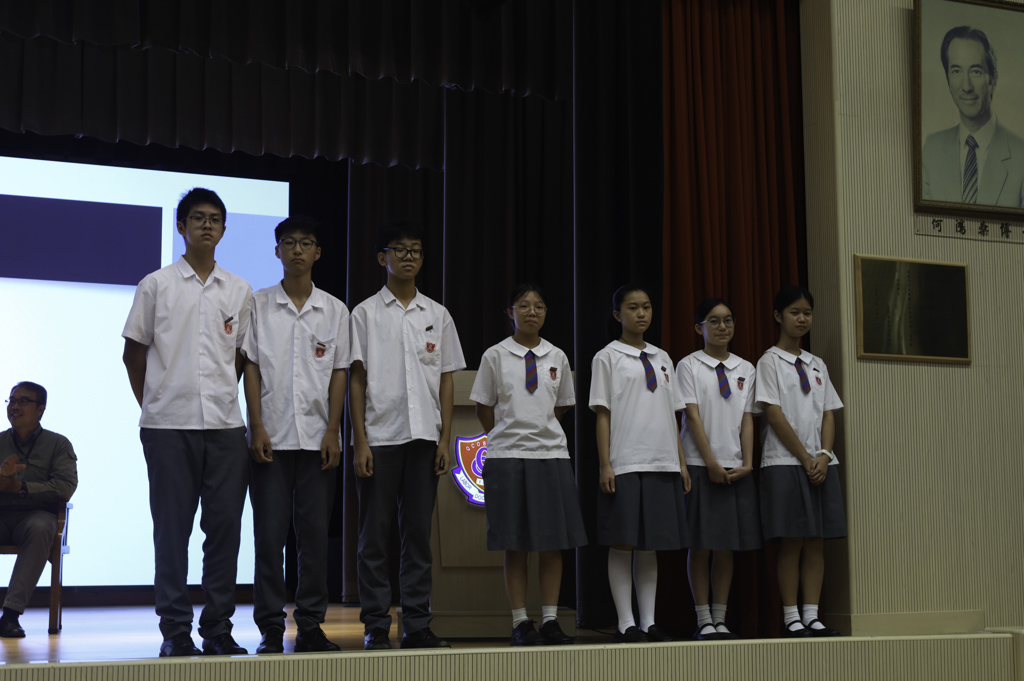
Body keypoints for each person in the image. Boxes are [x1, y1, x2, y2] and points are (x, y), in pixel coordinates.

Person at [122, 187, 253, 657]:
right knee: (172, 532)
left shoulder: (239, 290)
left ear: (223, 229)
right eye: (198, 218)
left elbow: (240, 357)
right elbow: (133, 352)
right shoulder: (155, 284)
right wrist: (154, 402)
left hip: (225, 426)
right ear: (181, 226)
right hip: (167, 426)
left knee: (225, 531)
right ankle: (175, 630)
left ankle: (217, 629)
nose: (207, 225)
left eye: (215, 219)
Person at [349, 222, 466, 651]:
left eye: (415, 250)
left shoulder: (437, 314)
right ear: (383, 258)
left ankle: (417, 624)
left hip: (424, 439)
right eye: (399, 250)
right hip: (379, 438)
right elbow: (356, 379)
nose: (409, 257)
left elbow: (447, 380)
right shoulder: (364, 313)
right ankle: (376, 625)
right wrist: (360, 440)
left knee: (417, 536)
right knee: (374, 537)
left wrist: (445, 439)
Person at [241, 217, 349, 654]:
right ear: (277, 251)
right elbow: (251, 367)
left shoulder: (335, 310)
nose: (298, 250)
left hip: (318, 440)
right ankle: (270, 626)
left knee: (314, 538)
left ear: (318, 252)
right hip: (271, 437)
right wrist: (256, 425)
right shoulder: (258, 304)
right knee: (269, 538)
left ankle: (310, 625)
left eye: (306, 243)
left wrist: (333, 430)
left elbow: (339, 372)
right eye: (289, 243)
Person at [470, 284, 586, 647]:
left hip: (551, 455)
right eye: (524, 305)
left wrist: (539, 432)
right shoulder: (495, 355)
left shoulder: (557, 356)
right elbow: (483, 407)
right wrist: (505, 435)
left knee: (553, 543)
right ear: (510, 313)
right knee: (515, 543)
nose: (532, 312)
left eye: (539, 306)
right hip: (507, 457)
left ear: (546, 313)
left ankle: (550, 620)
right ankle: (520, 622)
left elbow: (561, 406)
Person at [589, 284, 691, 643]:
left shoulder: (663, 357)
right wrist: (605, 464)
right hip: (626, 461)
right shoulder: (607, 357)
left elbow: (672, 415)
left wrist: (681, 463)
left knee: (650, 543)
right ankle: (625, 622)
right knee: (623, 542)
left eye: (646, 306)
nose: (642, 313)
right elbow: (603, 414)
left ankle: (649, 622)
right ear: (618, 315)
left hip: (662, 461)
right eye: (633, 308)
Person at [755, 285, 846, 638]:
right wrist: (806, 457)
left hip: (821, 464)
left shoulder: (816, 363)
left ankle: (812, 615)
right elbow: (773, 414)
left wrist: (824, 455)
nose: (802, 319)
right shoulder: (769, 361)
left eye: (807, 313)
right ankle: (791, 616)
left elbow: (828, 412)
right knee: (792, 540)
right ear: (778, 316)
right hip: (784, 463)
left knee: (816, 540)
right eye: (794, 312)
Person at [676, 298, 760, 642]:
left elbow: (747, 418)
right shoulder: (689, 365)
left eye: (728, 320)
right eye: (713, 321)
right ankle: (703, 619)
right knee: (701, 545)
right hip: (700, 465)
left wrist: (748, 463)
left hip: (736, 466)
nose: (722, 327)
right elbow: (691, 416)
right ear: (699, 328)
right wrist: (710, 462)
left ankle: (720, 618)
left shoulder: (746, 368)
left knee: (726, 546)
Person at [0, 382, 78, 638]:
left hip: (35, 517)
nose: (14, 406)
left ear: (40, 409)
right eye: (12, 400)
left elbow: (65, 487)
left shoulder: (58, 444)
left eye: (23, 401)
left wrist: (19, 487)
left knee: (42, 526)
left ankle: (10, 615)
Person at [922, 25, 1024, 207]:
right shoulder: (932, 149)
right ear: (948, 79)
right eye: (956, 71)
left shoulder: (1020, 155)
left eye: (976, 71)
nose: (966, 86)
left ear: (993, 80)